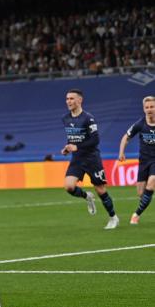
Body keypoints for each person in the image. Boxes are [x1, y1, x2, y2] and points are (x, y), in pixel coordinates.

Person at [61, 89, 119, 229]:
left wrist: (77, 147)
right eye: (67, 98)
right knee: (69, 186)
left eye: (72, 98)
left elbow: (95, 140)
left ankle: (113, 217)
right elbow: (73, 138)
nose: (69, 101)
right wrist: (67, 148)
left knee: (100, 189)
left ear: (80, 100)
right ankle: (87, 196)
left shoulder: (88, 118)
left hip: (91, 158)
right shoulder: (65, 118)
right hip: (77, 159)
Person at [118, 96, 155, 225]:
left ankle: (136, 214)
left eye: (152, 107)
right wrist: (121, 152)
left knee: (151, 183)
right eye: (147, 107)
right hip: (144, 161)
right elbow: (126, 137)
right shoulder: (140, 123)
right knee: (141, 193)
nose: (149, 109)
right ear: (144, 109)